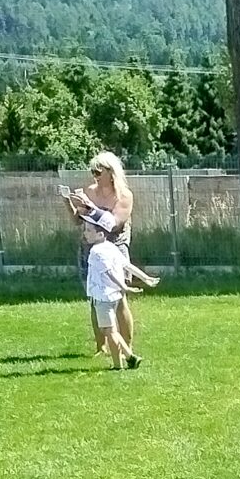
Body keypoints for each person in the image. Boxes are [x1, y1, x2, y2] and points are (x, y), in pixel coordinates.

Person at [67, 154, 137, 357]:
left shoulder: (124, 196)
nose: (95, 176)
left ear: (111, 172)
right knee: (95, 298)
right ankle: (101, 347)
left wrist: (91, 207)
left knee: (119, 300)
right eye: (92, 172)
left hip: (115, 249)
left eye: (98, 171)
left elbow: (114, 225)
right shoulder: (90, 191)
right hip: (90, 250)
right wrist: (68, 202)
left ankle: (127, 348)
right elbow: (78, 220)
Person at [86, 232, 157, 368]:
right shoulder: (111, 247)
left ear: (100, 234)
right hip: (115, 296)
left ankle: (119, 365)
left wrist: (125, 287)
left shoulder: (95, 251)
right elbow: (127, 265)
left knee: (110, 332)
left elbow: (108, 272)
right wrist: (145, 277)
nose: (85, 233)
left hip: (103, 296)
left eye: (89, 230)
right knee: (110, 330)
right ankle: (130, 357)